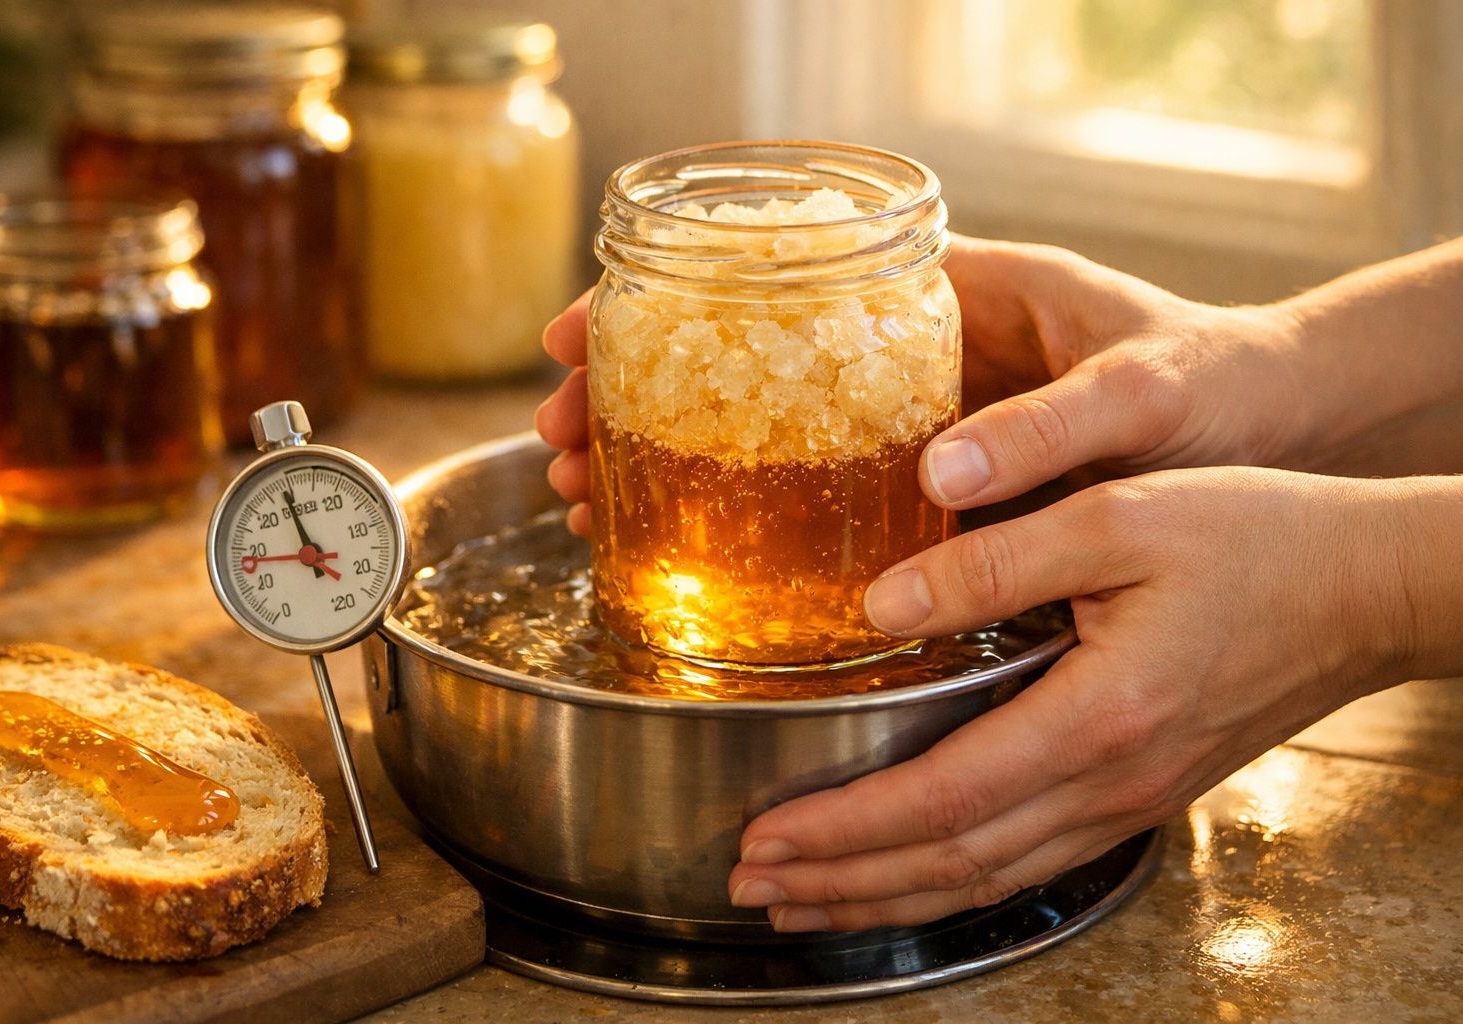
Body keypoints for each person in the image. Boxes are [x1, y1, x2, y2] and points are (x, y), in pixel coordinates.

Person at [534, 233, 1463, 933]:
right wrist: (1288, 369)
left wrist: (1372, 586)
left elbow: (1368, 581)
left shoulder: (913, 303)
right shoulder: (638, 307)